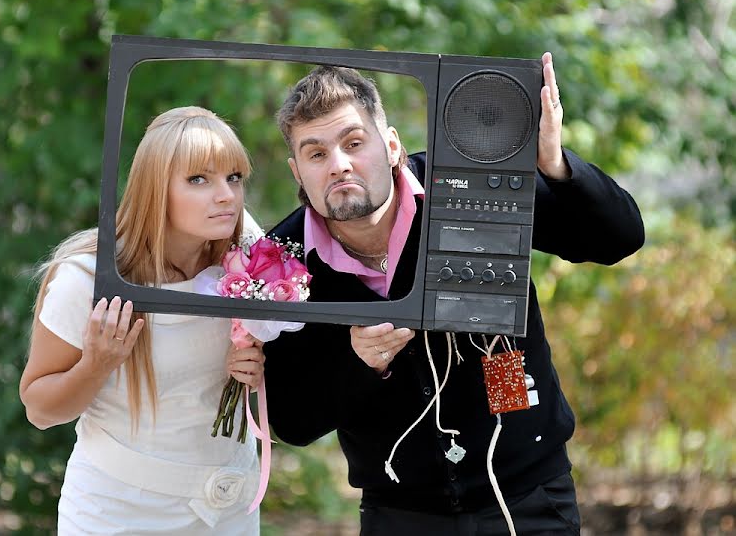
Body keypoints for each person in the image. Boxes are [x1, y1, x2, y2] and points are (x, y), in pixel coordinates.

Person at [263, 54, 645, 535]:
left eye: (354, 142)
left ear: (392, 145)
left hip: (527, 499)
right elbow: (294, 421)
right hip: (399, 513)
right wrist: (358, 364)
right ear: (298, 172)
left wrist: (555, 165)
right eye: (316, 154)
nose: (339, 165)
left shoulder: (467, 186)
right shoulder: (282, 263)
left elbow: (618, 240)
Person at [19, 106, 266, 535]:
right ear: (155, 190)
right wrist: (95, 366)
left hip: (226, 510)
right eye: (198, 179)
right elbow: (39, 409)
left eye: (234, 177)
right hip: (117, 512)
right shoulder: (87, 279)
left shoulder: (248, 257)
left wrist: (260, 365)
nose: (226, 194)